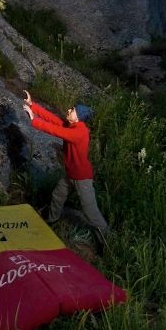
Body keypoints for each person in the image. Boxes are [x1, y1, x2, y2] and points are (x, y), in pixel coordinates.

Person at [21, 90, 108, 245]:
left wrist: (34, 119)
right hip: (70, 174)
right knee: (58, 195)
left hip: (81, 178)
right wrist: (32, 105)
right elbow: (53, 119)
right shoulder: (72, 125)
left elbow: (56, 130)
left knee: (90, 212)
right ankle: (52, 221)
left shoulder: (80, 132)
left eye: (72, 110)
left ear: (79, 117)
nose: (69, 110)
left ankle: (107, 240)